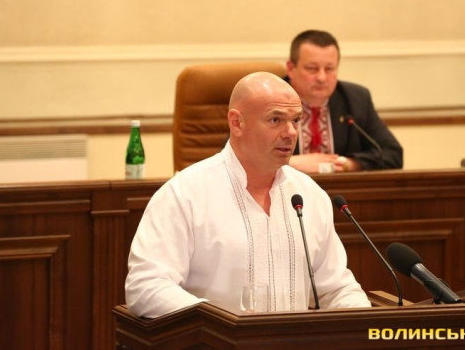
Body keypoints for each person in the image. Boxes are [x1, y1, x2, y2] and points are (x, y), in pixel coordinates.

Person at [125, 72, 370, 318]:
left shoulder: (310, 195)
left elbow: (337, 288)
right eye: (275, 120)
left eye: (295, 120)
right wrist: (221, 325)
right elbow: (147, 287)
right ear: (236, 123)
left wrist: (365, 325)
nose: (290, 132)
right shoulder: (185, 194)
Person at [285, 30, 403, 173]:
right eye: (312, 69)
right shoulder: (270, 100)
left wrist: (347, 164)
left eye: (329, 69)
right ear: (291, 68)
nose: (321, 78)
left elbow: (393, 154)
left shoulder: (356, 99)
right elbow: (257, 157)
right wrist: (290, 163)